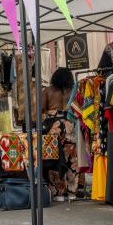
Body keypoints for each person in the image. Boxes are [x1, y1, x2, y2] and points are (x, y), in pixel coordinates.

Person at [41, 67, 79, 201]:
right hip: (69, 125)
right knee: (71, 159)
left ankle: (58, 193)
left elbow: (41, 109)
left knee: (54, 158)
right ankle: (72, 192)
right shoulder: (73, 90)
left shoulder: (48, 90)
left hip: (53, 127)